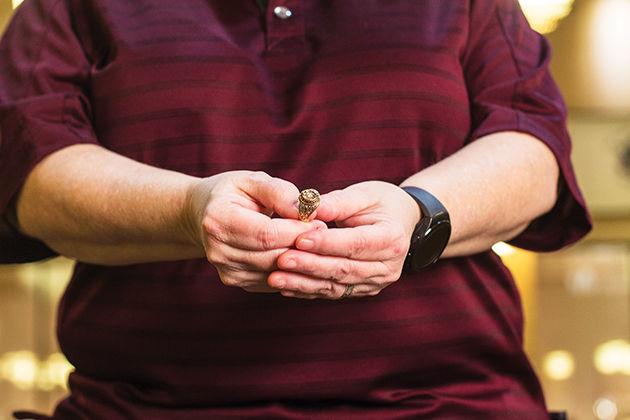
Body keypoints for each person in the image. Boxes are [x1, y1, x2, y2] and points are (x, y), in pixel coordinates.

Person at [0, 0, 591, 418]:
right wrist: (188, 210)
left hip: (449, 405)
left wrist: (417, 215)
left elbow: (532, 146)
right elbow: (30, 168)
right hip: (147, 408)